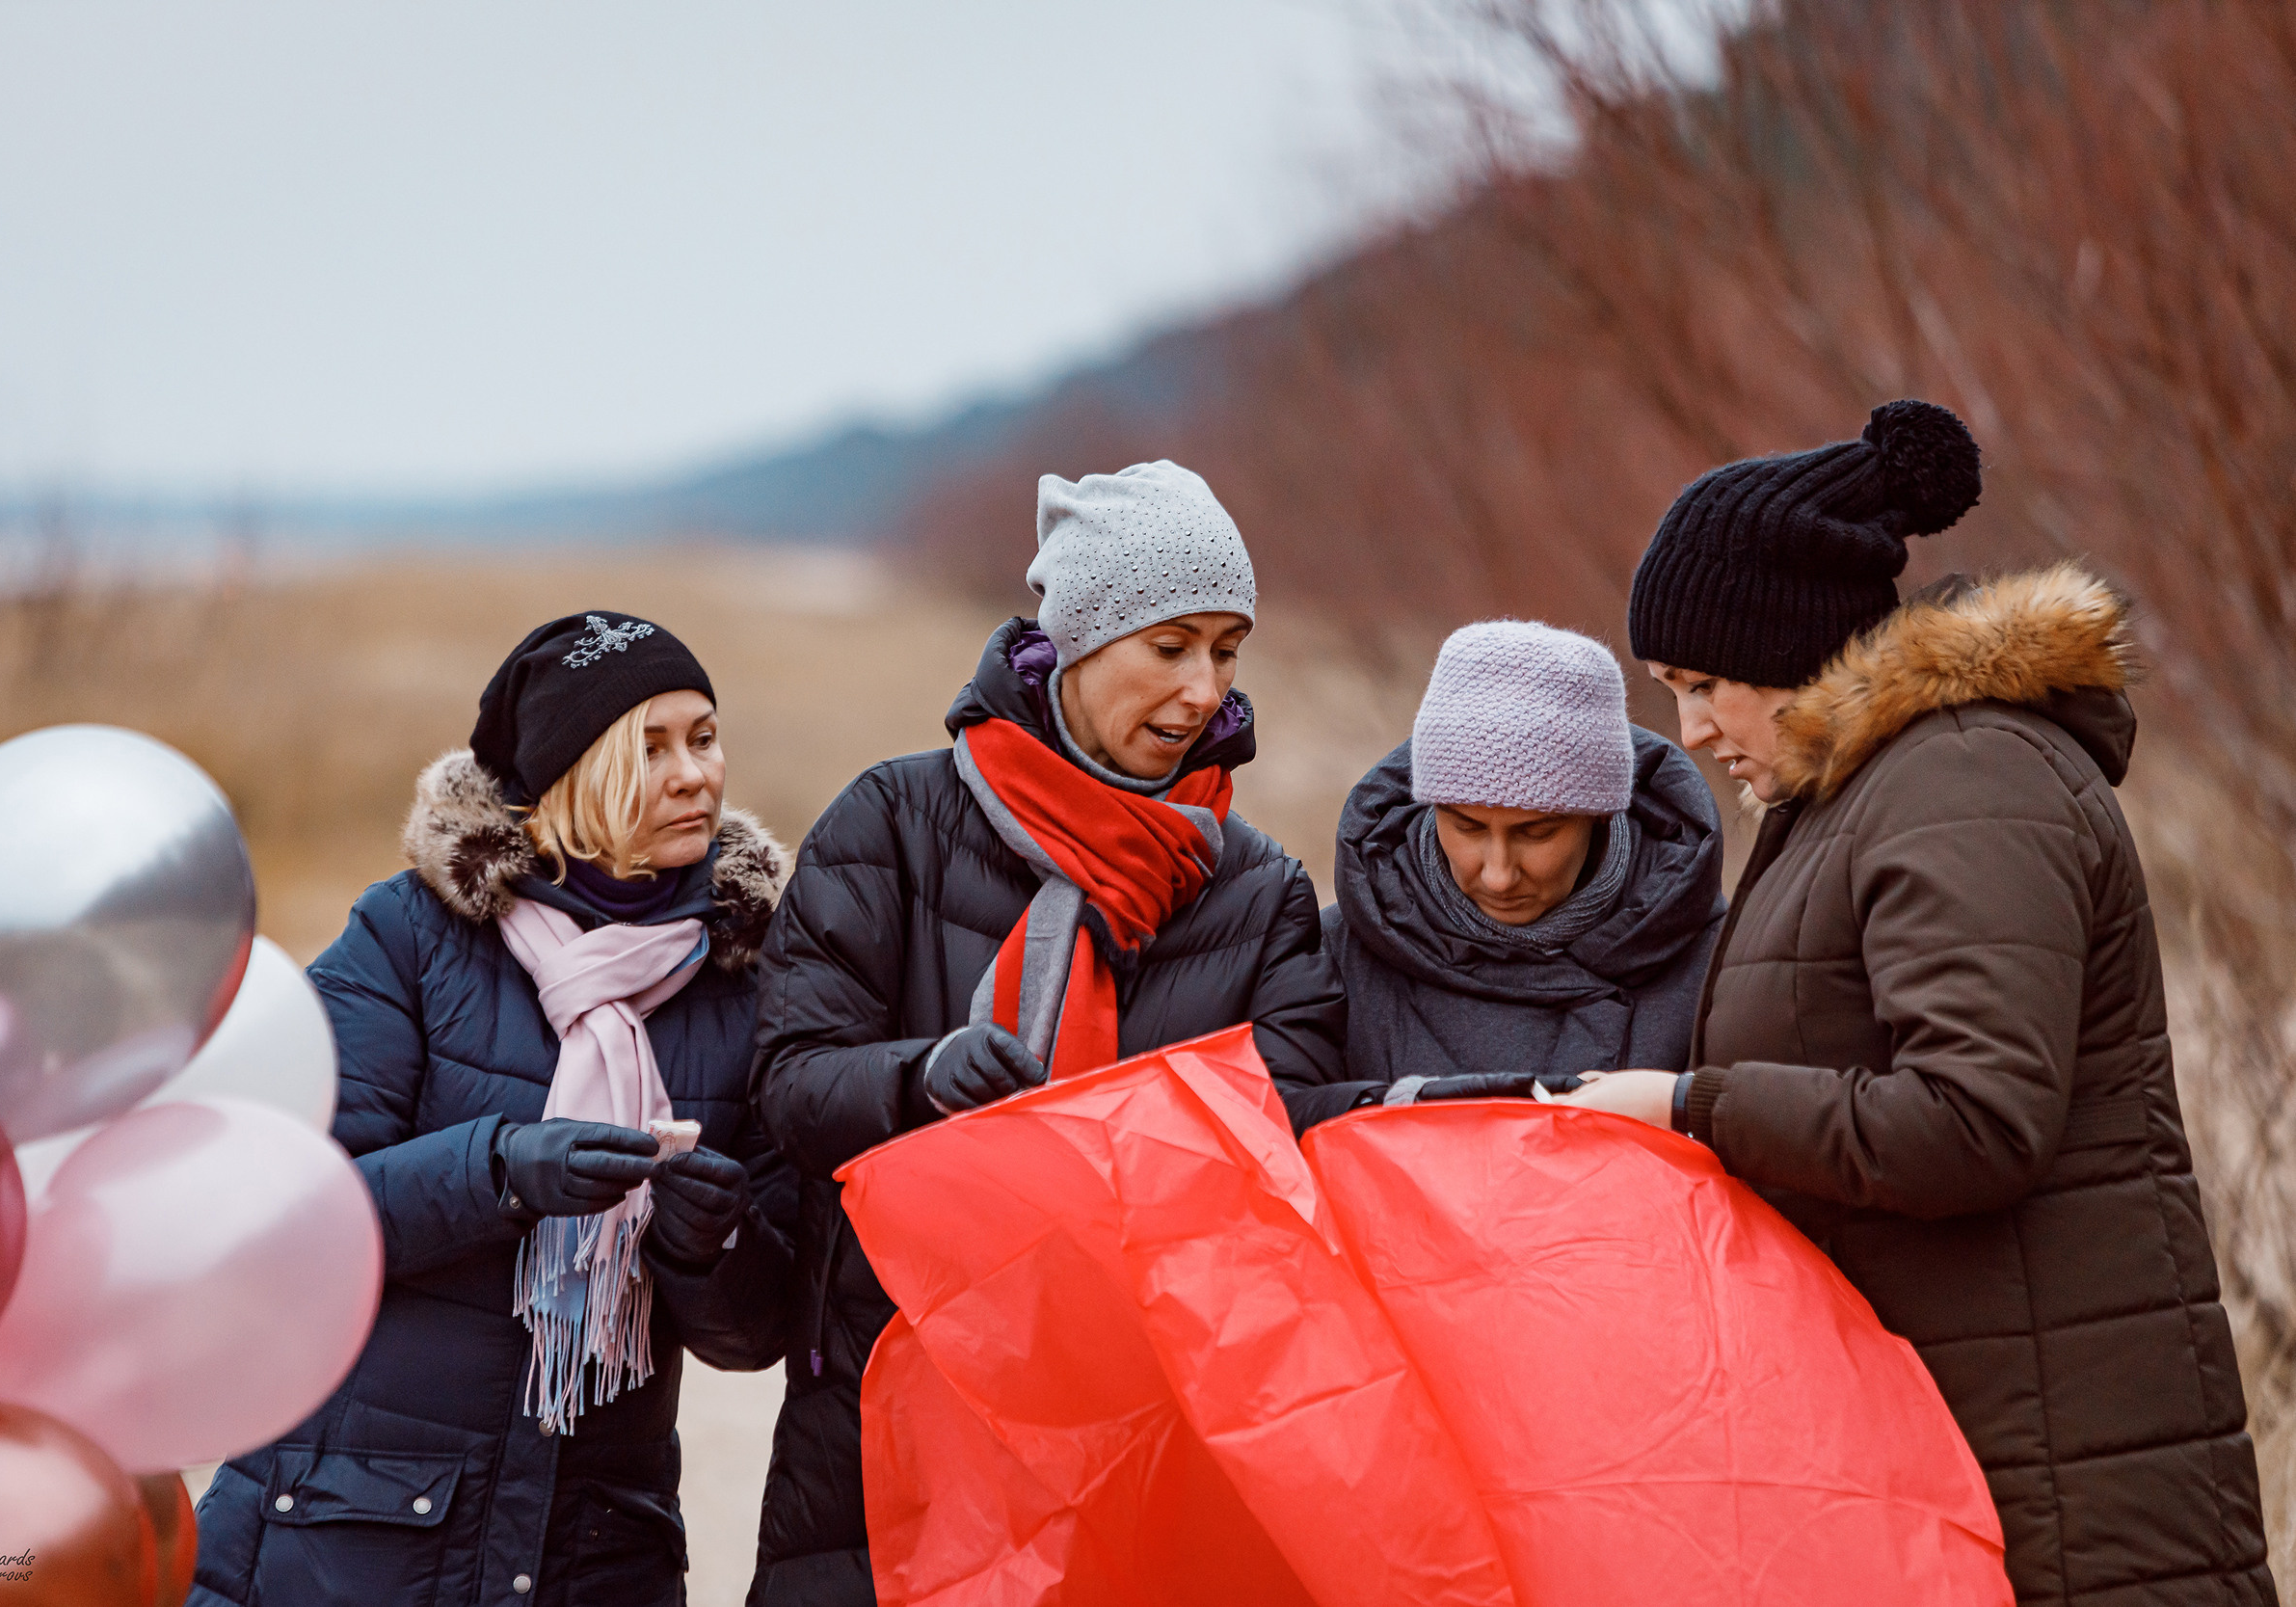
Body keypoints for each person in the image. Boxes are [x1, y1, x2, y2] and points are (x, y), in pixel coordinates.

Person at [1563, 401, 2273, 1605]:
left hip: (2074, 1512)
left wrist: (1692, 1107)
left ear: (1787, 642)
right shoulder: (1865, 794)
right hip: (1973, 1470)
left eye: (1703, 683)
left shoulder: (1962, 777)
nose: (1687, 730)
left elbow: (1974, 1119)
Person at [743, 461, 1344, 1604]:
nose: (1201, 689)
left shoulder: (1258, 890)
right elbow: (790, 1085)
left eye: (1227, 649)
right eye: (1169, 646)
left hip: (1150, 1421)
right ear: (1072, 636)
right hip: (890, 1400)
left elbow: (1281, 1136)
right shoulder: (892, 822)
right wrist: (920, 1077)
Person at [189, 612, 798, 1607]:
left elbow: (756, 1332)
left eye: (703, 735)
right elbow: (300, 1213)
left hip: (597, 1549)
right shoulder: (411, 935)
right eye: (650, 747)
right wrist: (500, 1169)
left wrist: (708, 1243)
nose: (697, 772)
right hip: (358, 1532)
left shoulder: (747, 980)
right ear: (563, 774)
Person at [1288, 620, 1722, 1133]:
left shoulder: (1718, 961)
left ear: (1602, 816)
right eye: (1466, 826)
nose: (1497, 875)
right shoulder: (1332, 954)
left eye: (1536, 834)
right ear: (1427, 807)